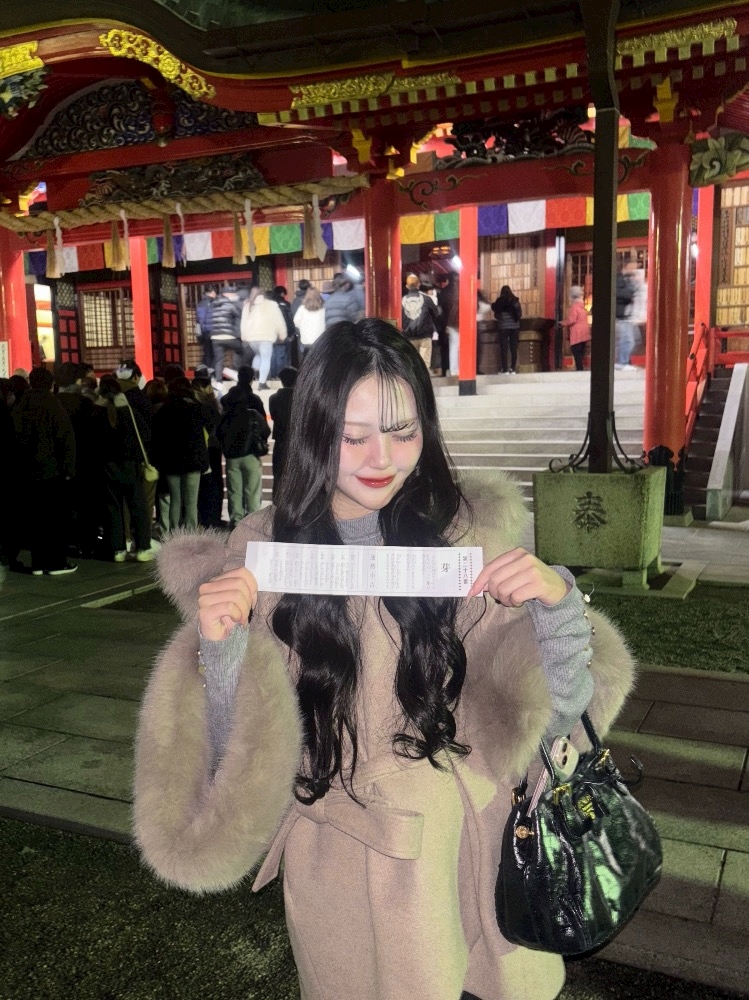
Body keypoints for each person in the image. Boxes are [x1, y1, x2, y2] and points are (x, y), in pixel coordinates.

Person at [133, 319, 634, 1000]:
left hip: (478, 851)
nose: (382, 458)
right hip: (345, 868)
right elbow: (230, 762)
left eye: (403, 431)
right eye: (353, 435)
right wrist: (221, 652)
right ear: (313, 432)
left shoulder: (463, 538)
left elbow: (558, 716)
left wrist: (556, 605)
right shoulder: (262, 557)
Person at [13, 366, 77, 575]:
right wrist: (68, 469)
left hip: (26, 472)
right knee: (55, 520)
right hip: (52, 471)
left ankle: (38, 562)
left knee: (35, 520)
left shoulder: (21, 405)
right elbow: (65, 439)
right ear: (51, 384)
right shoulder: (53, 405)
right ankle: (56, 562)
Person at [91, 375, 154, 563]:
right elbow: (145, 435)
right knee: (138, 506)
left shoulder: (96, 412)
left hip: (106, 466)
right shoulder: (129, 411)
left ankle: (117, 549)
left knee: (113, 509)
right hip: (130, 465)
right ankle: (142, 548)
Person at [151, 377, 209, 530]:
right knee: (191, 503)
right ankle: (190, 534)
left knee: (175, 501)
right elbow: (206, 429)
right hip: (193, 461)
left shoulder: (165, 410)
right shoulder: (195, 408)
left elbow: (157, 438)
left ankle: (174, 533)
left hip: (171, 462)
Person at [216, 391, 270, 528]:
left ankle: (236, 521)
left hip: (232, 459)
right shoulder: (252, 414)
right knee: (252, 491)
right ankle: (252, 521)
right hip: (251, 456)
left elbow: (219, 434)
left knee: (234, 491)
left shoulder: (226, 417)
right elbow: (266, 430)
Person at [240, 288, 287, 390]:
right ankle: (262, 383)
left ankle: (256, 372)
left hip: (252, 337)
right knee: (265, 359)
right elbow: (279, 321)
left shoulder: (248, 305)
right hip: (266, 336)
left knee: (258, 355)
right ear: (264, 295)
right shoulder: (271, 305)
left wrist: (244, 336)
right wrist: (282, 335)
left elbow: (243, 322)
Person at [268, 365, 297, 500]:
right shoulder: (300, 399)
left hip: (280, 440)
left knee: (278, 475)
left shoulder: (274, 398)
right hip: (297, 442)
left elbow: (274, 416)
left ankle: (277, 503)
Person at [401, 273, 440, 367]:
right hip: (425, 335)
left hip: (408, 336)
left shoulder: (402, 300)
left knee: (412, 364)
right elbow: (436, 314)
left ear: (407, 286)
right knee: (424, 364)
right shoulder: (426, 299)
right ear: (419, 284)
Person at [209, 286, 243, 381]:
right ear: (226, 294)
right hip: (229, 336)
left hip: (215, 337)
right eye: (232, 294)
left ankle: (218, 381)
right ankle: (235, 372)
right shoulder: (230, 305)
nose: (234, 295)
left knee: (218, 360)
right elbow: (239, 315)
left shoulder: (213, 305)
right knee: (241, 351)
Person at [491, 285, 522, 374]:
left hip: (503, 327)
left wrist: (502, 319)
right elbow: (519, 314)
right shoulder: (515, 301)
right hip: (514, 328)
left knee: (504, 348)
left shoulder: (499, 301)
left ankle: (505, 369)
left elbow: (496, 315)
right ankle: (513, 368)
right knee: (513, 348)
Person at [559, 286, 590, 372]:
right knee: (581, 352)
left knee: (576, 352)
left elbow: (572, 320)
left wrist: (562, 323)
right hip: (584, 333)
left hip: (577, 334)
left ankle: (579, 370)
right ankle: (581, 368)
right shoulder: (582, 307)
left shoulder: (574, 307)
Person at [615, 262, 637, 371]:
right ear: (626, 267)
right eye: (632, 267)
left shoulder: (626, 280)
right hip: (621, 315)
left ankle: (624, 361)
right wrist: (631, 288)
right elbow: (621, 294)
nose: (634, 270)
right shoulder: (619, 279)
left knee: (629, 340)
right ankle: (622, 362)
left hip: (626, 315)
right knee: (627, 340)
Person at [293, 285, 326, 359]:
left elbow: (296, 321)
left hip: (306, 339)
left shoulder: (302, 308)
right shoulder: (323, 308)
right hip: (320, 339)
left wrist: (302, 327)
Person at [195, 287, 217, 370]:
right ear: (211, 293)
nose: (215, 295)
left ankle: (206, 369)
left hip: (204, 331)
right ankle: (212, 369)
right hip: (212, 330)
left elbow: (199, 319)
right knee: (213, 352)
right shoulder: (213, 303)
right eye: (214, 293)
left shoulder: (200, 303)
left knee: (207, 351)